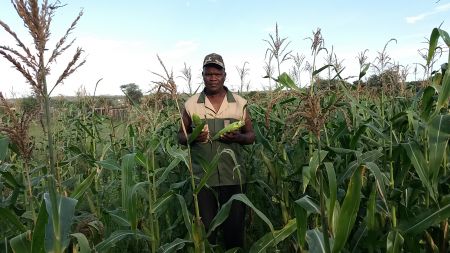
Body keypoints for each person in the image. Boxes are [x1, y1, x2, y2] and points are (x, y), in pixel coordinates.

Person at [178, 53, 255, 249]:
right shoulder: (191, 104)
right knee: (206, 230)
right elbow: (180, 137)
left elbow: (251, 136)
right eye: (208, 74)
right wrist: (193, 137)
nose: (212, 78)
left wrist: (238, 137)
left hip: (234, 177)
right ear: (202, 75)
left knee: (235, 230)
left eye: (217, 74)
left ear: (224, 75)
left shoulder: (239, 103)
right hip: (203, 179)